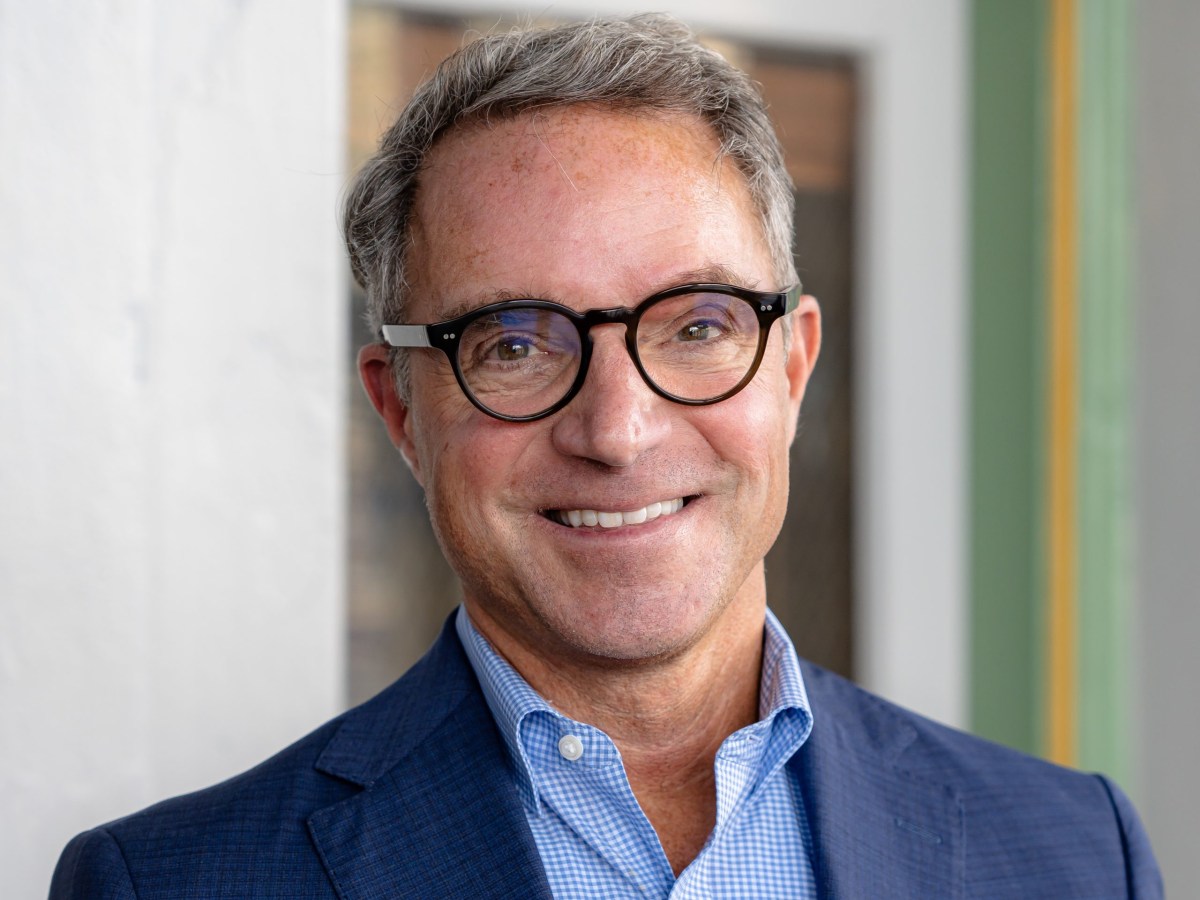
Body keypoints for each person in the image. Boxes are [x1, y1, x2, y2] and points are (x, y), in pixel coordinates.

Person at [51, 14, 1161, 899]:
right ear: (401, 410)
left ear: (791, 365)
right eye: (517, 344)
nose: (618, 431)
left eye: (696, 325)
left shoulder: (1075, 856)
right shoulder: (174, 884)